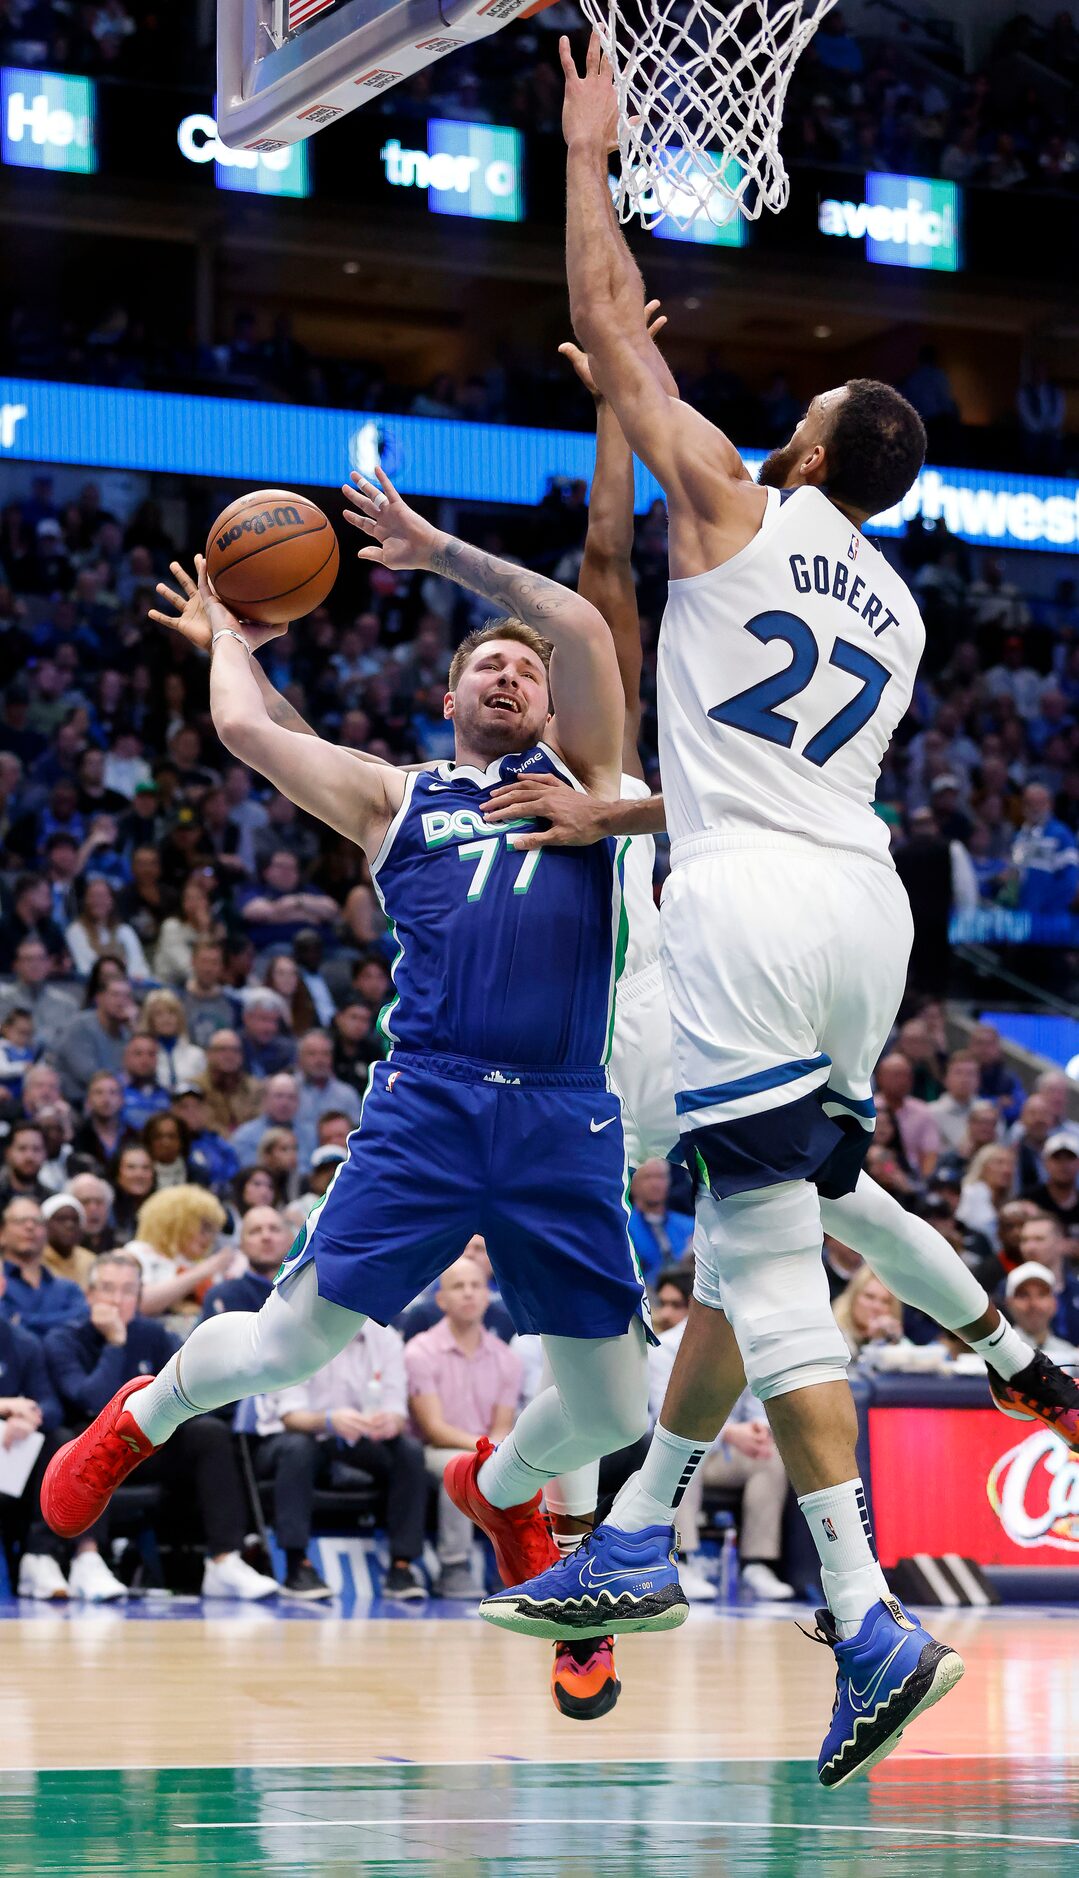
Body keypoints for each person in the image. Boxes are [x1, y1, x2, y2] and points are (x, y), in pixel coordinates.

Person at [484, 40, 1079, 1786]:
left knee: (752, 1248)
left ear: (813, 441)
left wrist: (586, 162)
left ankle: (863, 1611)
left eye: (804, 399)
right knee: (794, 1198)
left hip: (743, 913)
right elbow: (776, 771)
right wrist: (633, 800)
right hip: (856, 908)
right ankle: (666, 1516)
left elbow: (606, 311)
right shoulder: (891, 608)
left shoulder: (740, 507)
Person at [42, 487, 653, 1681]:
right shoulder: (395, 796)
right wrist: (230, 637)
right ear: (445, 698)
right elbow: (250, 735)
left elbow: (580, 625)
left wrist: (443, 559)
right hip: (426, 1105)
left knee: (615, 1410)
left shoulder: (592, 781)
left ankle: (501, 1487)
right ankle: (142, 1414)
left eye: (520, 670)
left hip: (562, 1109)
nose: (509, 675)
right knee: (282, 1345)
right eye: (484, 665)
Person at [44, 1253, 278, 1600]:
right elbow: (90, 1401)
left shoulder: (154, 1334)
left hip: (149, 1450)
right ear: (89, 1294)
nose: (116, 1299)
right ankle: (87, 1560)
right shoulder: (64, 1339)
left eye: (127, 1291)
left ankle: (224, 1560)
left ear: (139, 1298)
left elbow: (190, 1387)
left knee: (209, 1434)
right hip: (94, 1455)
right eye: (107, 1289)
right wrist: (115, 1343)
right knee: (70, 1434)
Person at [200, 1205, 331, 1600]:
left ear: (291, 1237)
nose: (266, 1236)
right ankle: (285, 1562)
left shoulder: (309, 1287)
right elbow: (213, 1359)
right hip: (246, 1417)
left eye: (275, 1228)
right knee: (229, 1438)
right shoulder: (224, 1294)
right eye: (255, 1230)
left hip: (306, 1402)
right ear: (241, 1243)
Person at [278, 1310, 429, 1602]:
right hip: (311, 1434)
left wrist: (390, 1422)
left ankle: (402, 1566)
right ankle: (297, 1564)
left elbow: (397, 1408)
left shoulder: (386, 1339)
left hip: (365, 1437)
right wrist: (328, 1420)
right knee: (297, 1448)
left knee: (409, 1451)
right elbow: (289, 1415)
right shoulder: (299, 1335)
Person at [0, 1262, 125, 1602]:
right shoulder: (61, 1339)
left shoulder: (21, 1343)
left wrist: (30, 1417)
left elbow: (51, 1406)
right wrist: (4, 1405)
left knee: (58, 1439)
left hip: (9, 1455)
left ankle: (39, 1557)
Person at [406, 1258, 523, 1596]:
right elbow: (433, 1428)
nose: (469, 1294)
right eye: (458, 1286)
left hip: (487, 1447)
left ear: (488, 1297)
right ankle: (453, 1566)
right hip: (437, 1450)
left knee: (524, 1471)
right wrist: (484, 1448)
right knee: (460, 1467)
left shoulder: (507, 1357)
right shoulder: (420, 1352)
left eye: (476, 1286)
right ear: (440, 1299)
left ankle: (514, 1565)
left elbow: (503, 1425)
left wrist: (495, 1451)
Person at [124, 1184, 234, 1321]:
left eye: (213, 1230)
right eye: (204, 1227)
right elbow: (142, 1303)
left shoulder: (204, 1264)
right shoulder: (138, 1252)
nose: (209, 1237)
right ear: (176, 1222)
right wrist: (203, 1271)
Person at [1, 1196, 87, 1336]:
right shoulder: (2, 1285)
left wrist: (21, 1320)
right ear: (2, 1234)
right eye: (20, 1221)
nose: (30, 1227)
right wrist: (62, 1320)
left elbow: (83, 1321)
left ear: (46, 1233)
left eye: (37, 1221)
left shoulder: (68, 1289)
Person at [52, 971, 133, 1104]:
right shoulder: (79, 1027)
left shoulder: (127, 1032)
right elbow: (90, 1076)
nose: (121, 1002)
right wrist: (125, 1080)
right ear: (99, 998)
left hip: (113, 1102)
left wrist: (135, 1028)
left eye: (126, 996)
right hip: (73, 1101)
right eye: (115, 995)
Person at [65, 877, 150, 983]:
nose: (98, 901)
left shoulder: (125, 930)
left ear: (112, 900)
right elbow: (86, 968)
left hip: (128, 987)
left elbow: (139, 968)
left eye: (103, 896)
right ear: (85, 900)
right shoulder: (76, 931)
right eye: (93, 896)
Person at [627, 1160, 694, 1288]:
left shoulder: (690, 1226)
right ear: (632, 1184)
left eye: (661, 1177)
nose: (655, 1184)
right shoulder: (625, 1228)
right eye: (648, 1177)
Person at [1004, 1263, 1079, 1363]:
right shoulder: (997, 1353)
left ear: (1055, 1303)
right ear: (1009, 1303)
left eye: (1042, 1294)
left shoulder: (1071, 1356)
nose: (1034, 1304)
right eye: (1023, 1295)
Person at [137, 989, 207, 1092]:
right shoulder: (143, 1056)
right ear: (150, 1020)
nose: (166, 1019)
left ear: (179, 1017)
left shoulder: (196, 1055)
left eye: (171, 1013)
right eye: (158, 1014)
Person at [197, 1029, 263, 1135]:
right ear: (209, 1054)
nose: (229, 1056)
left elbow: (259, 1124)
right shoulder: (196, 1088)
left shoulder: (255, 1088)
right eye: (222, 1050)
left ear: (241, 1056)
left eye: (235, 1050)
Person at [69, 1070, 131, 1167]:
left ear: (122, 1100)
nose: (106, 1099)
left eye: (113, 1092)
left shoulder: (133, 1136)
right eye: (99, 1093)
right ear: (88, 1101)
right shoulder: (77, 1138)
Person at [1021, 1134, 1079, 1232]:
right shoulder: (1029, 1198)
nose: (1064, 1165)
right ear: (1045, 1163)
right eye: (1057, 1158)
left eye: (1070, 1158)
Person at [40, 1193, 97, 1292]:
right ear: (44, 1225)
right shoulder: (34, 1261)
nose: (69, 1225)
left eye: (75, 1220)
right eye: (61, 1219)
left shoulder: (91, 1261)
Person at [928, 1054, 981, 1155]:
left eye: (970, 1074)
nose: (965, 1079)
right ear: (945, 1079)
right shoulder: (931, 1112)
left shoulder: (988, 1111)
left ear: (978, 1080)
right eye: (958, 1073)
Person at [107, 1141, 156, 1241]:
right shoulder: (106, 1208)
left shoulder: (162, 1208)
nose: (139, 1174)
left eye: (145, 1168)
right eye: (131, 1167)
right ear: (117, 1173)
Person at [0, 1121, 49, 1205]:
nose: (29, 1157)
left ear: (45, 1154)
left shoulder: (51, 1201)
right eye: (22, 1148)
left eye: (36, 1149)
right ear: (8, 1153)